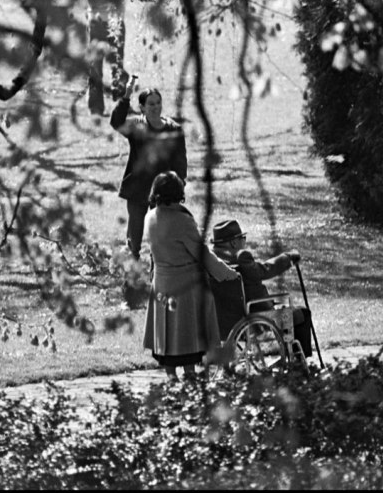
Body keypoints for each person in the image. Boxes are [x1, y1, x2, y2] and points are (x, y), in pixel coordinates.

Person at [142, 172, 239, 381]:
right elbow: (201, 253)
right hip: (185, 285)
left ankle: (171, 378)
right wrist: (226, 273)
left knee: (167, 336)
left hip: (160, 281)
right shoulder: (182, 221)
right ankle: (190, 376)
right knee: (186, 335)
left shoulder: (150, 217)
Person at [209, 219, 314, 358]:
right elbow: (264, 270)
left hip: (222, 324)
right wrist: (288, 258)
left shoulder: (211, 262)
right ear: (234, 242)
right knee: (303, 313)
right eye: (242, 238)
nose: (244, 242)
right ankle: (298, 362)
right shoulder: (240, 257)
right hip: (255, 317)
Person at [110, 79, 187, 259]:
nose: (156, 107)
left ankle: (158, 276)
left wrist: (179, 185)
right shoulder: (137, 125)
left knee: (160, 238)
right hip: (138, 190)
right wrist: (126, 96)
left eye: (158, 103)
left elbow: (180, 162)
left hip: (163, 192)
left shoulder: (174, 129)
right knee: (134, 240)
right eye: (151, 104)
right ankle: (132, 276)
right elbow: (116, 122)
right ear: (142, 107)